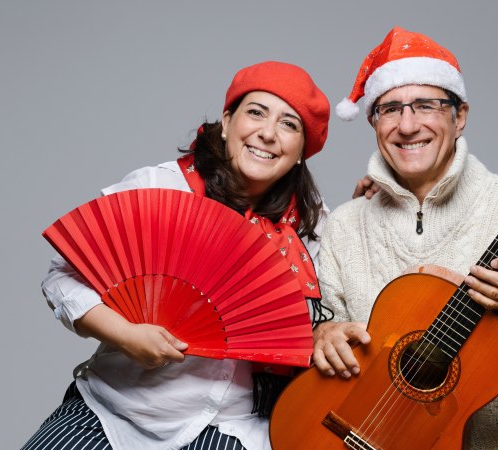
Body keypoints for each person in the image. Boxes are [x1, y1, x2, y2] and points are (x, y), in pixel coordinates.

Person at [312, 27, 498, 449]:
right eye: (390, 109)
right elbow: (330, 348)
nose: (407, 125)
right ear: (374, 122)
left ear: (459, 116)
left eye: (425, 105)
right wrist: (323, 335)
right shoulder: (345, 225)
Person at [23, 61, 331, 450]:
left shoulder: (310, 228)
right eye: (256, 112)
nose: (268, 133)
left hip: (232, 426)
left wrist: (378, 192)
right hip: (114, 408)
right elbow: (61, 277)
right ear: (227, 122)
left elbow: (334, 317)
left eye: (289, 124)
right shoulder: (160, 187)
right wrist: (125, 335)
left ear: (302, 151)